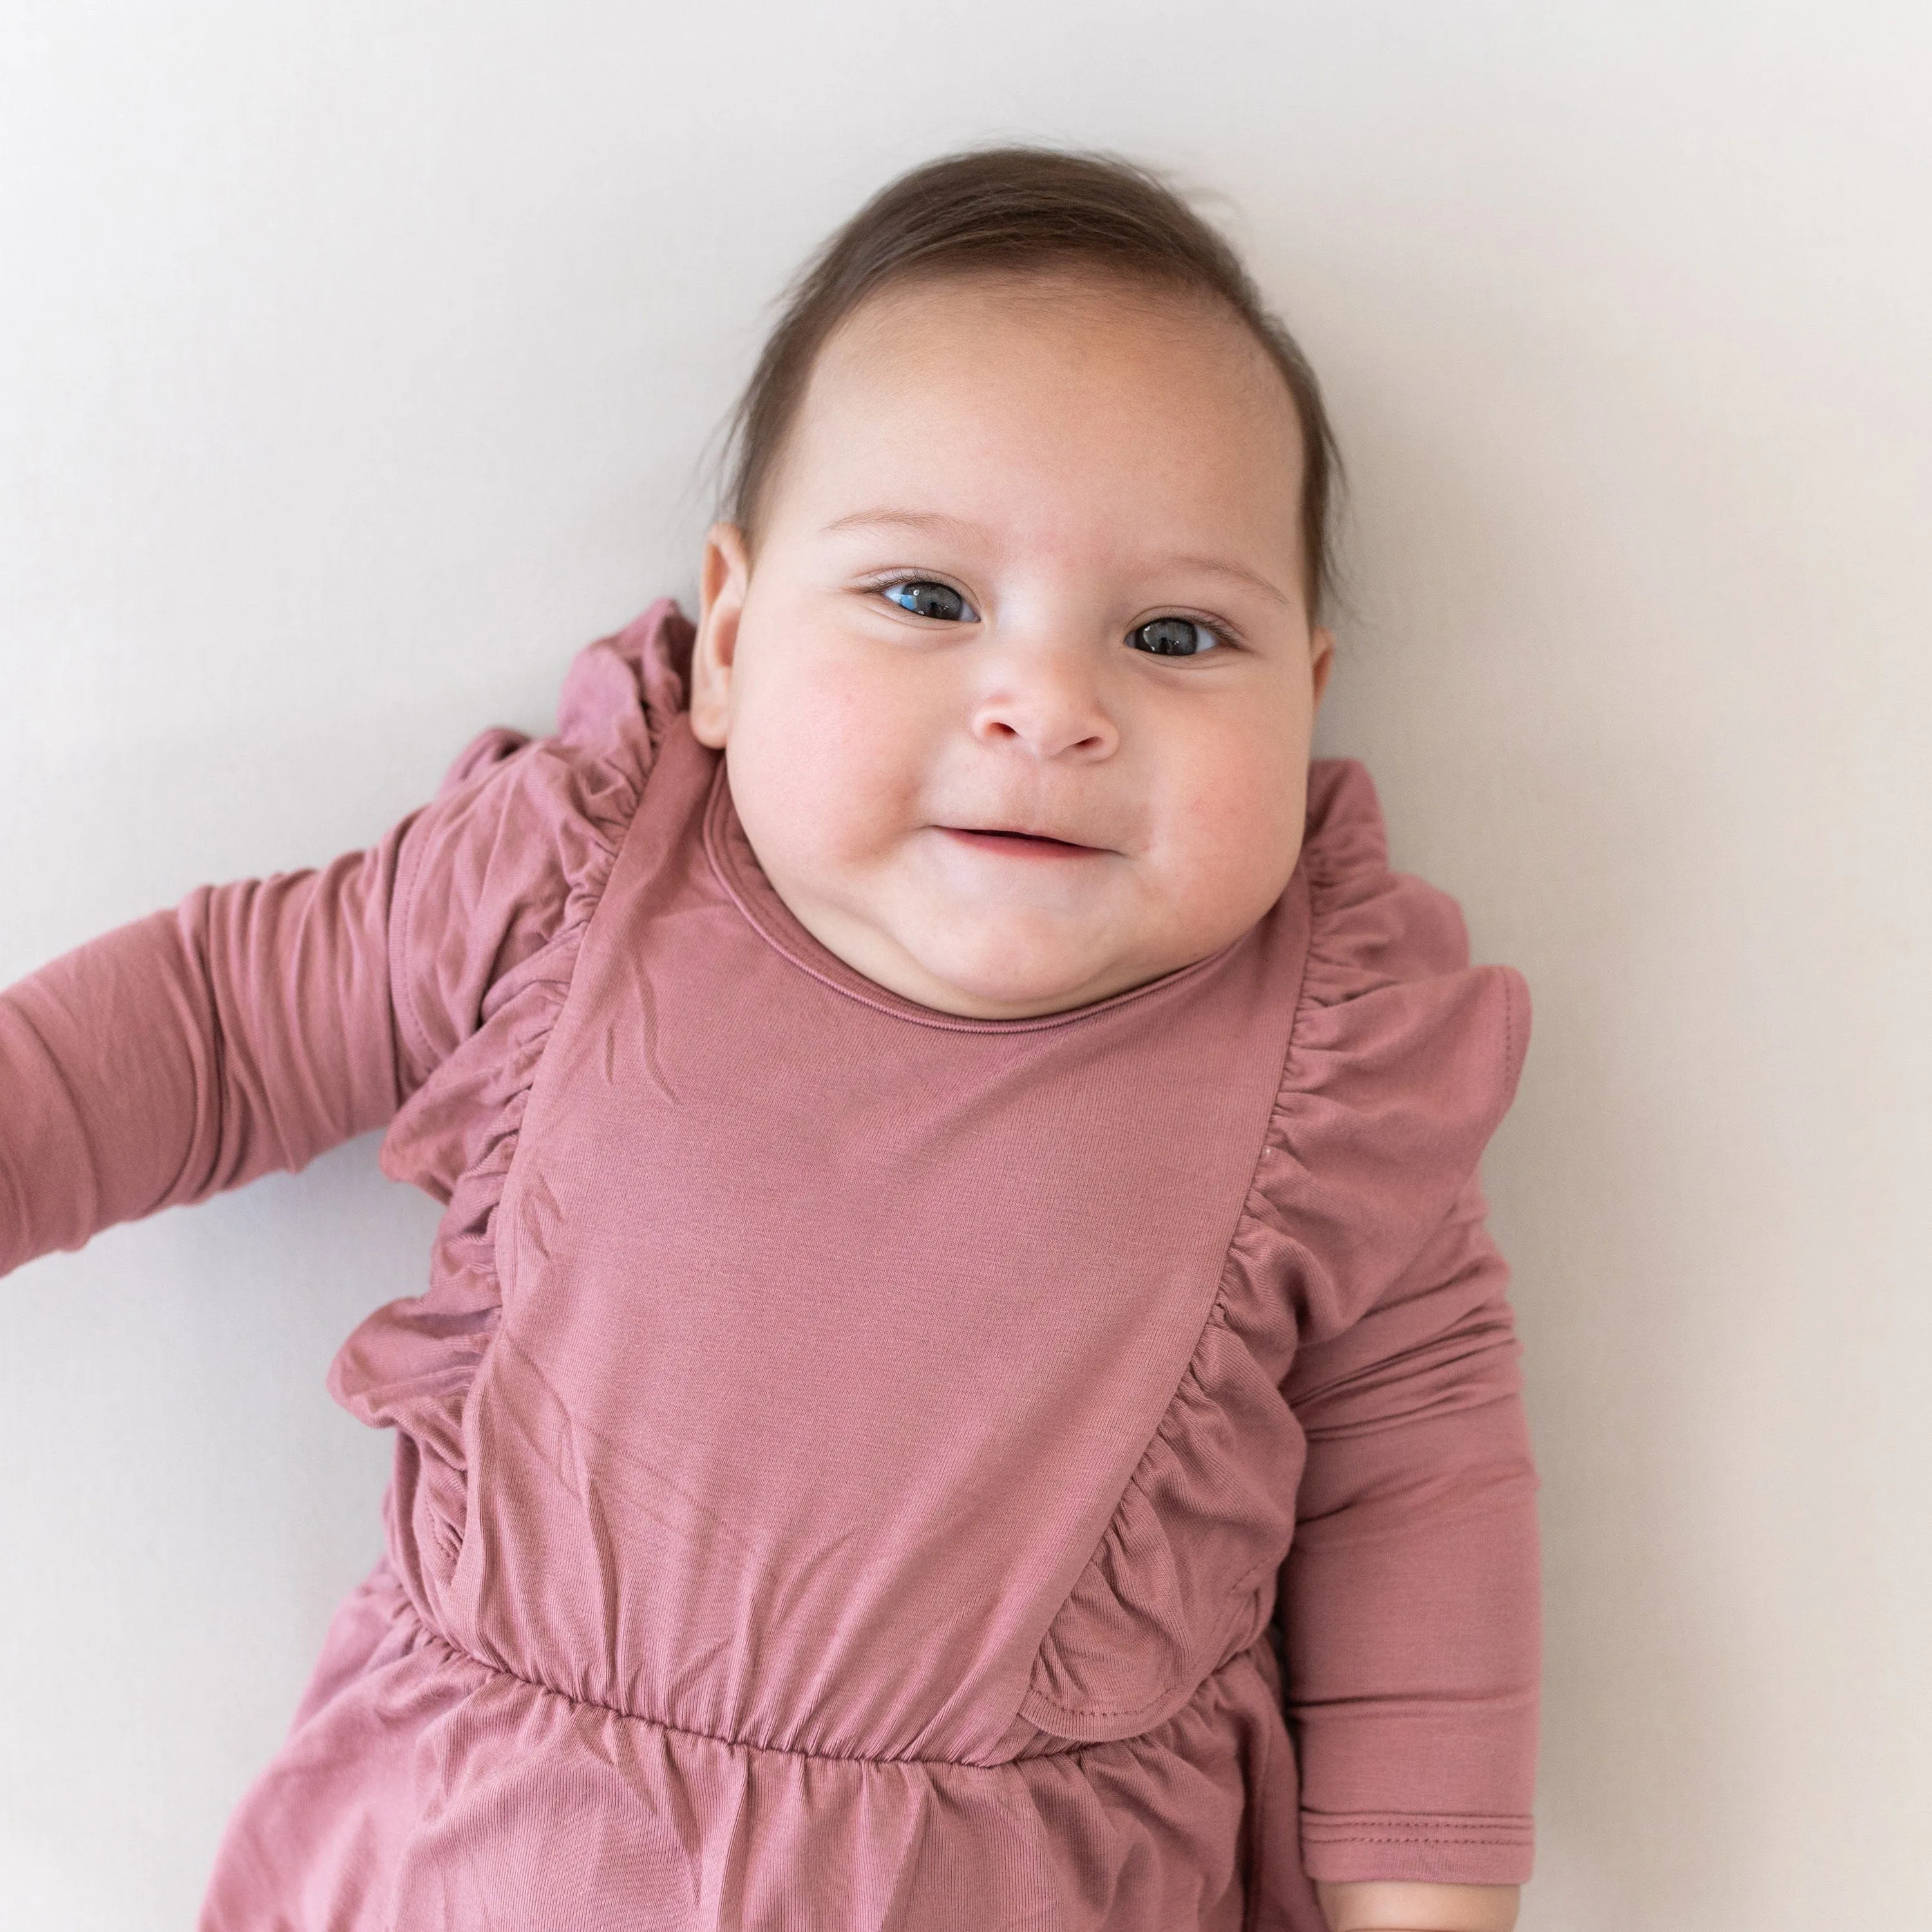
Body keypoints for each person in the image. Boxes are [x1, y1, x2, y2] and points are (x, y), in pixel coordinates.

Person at [0, 146, 1539, 1932]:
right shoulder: (581, 879)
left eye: (1177, 634)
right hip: (486, 1864)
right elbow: (212, 1025)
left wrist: (1422, 1910)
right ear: (727, 640)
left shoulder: (1333, 1064)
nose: (1048, 703)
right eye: (928, 599)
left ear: (1307, 700)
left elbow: (1422, 1487)